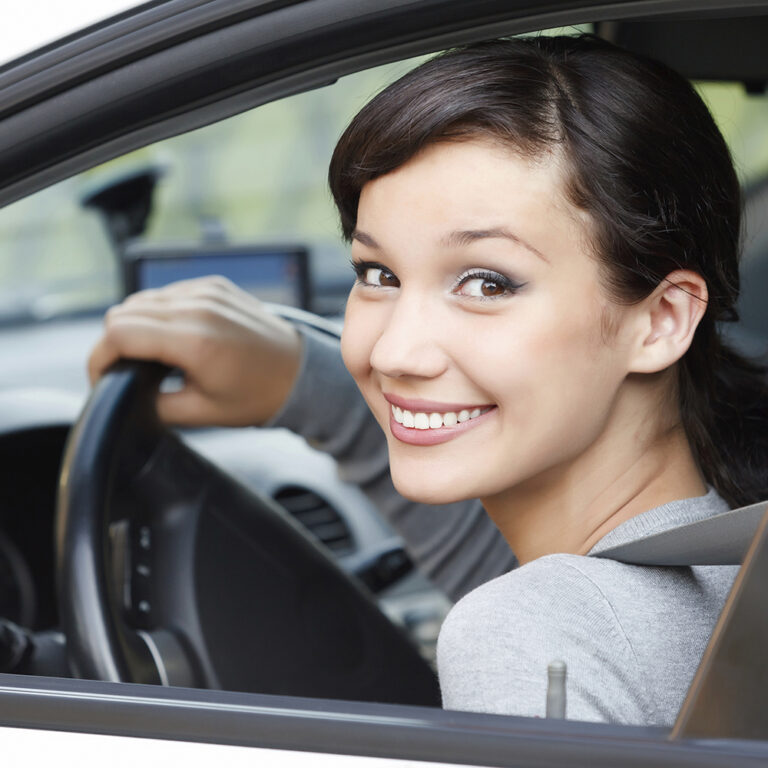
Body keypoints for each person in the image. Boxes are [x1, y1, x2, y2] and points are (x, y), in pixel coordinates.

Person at [89, 35, 768, 725]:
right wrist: (301, 381)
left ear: (659, 320)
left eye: (486, 283)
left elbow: (544, 613)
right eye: (376, 274)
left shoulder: (532, 634)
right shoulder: (734, 554)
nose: (394, 351)